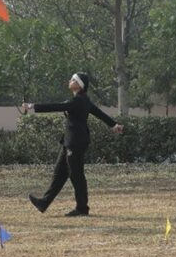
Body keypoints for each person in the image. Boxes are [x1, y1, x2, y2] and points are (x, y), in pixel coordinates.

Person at [23, 73, 124, 217]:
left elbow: (59, 106)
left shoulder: (79, 100)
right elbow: (99, 113)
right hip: (69, 142)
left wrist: (33, 106)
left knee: (76, 175)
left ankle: (82, 208)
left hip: (76, 143)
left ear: (80, 85)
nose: (70, 81)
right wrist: (114, 125)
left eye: (74, 80)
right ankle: (44, 203)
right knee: (59, 174)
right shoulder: (82, 100)